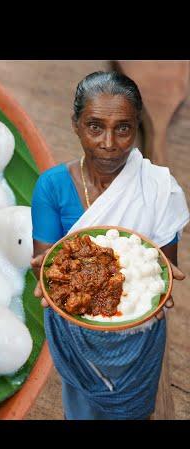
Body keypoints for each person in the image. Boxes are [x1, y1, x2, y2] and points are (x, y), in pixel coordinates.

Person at [30, 71, 189, 420]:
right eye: (95, 126)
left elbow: (161, 271)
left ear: (136, 128)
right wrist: (47, 275)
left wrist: (156, 288)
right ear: (75, 125)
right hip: (75, 338)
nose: (108, 142)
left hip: (140, 339)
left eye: (123, 128)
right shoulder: (52, 187)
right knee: (83, 409)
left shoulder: (158, 189)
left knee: (135, 408)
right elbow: (48, 264)